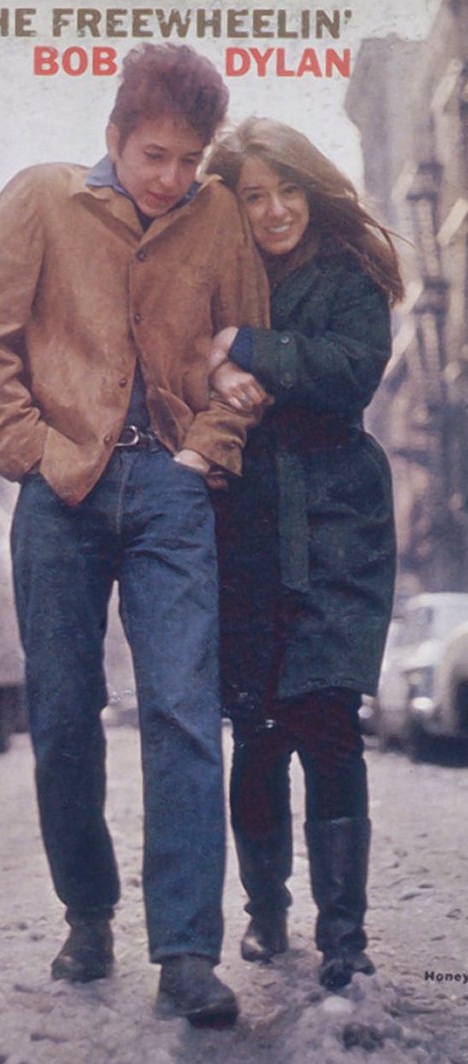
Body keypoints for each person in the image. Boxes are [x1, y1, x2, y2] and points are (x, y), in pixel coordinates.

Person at [0, 45, 268, 1027]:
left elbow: (241, 352)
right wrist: (34, 450)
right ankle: (87, 910)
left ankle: (184, 953)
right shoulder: (41, 201)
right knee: (59, 715)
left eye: (188, 159)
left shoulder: (214, 219)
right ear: (115, 138)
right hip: (63, 492)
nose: (170, 177)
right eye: (154, 155)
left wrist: (205, 451)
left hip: (172, 490)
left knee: (181, 706)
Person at [204, 117, 404, 991]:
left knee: (328, 725)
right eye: (254, 195)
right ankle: (265, 913)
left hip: (335, 526)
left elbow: (351, 369)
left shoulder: (349, 275)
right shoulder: (217, 273)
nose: (274, 210)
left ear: (311, 192)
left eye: (287, 190)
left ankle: (345, 938)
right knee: (255, 731)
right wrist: (210, 365)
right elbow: (175, 349)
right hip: (244, 527)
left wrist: (246, 349)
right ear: (233, 204)